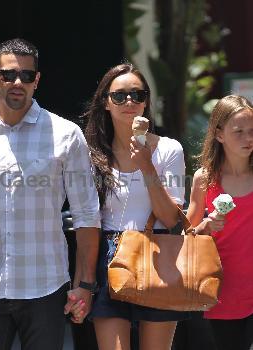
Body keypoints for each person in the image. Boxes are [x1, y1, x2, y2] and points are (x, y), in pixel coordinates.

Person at [0, 38, 100, 350]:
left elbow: (87, 215)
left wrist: (85, 285)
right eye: (8, 74)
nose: (17, 82)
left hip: (46, 288)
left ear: (36, 81)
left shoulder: (67, 135)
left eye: (27, 76)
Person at [83, 62, 190, 350]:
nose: (129, 101)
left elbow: (171, 219)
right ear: (106, 102)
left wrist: (146, 165)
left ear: (146, 102)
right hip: (109, 255)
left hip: (157, 252)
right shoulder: (90, 153)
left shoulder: (168, 149)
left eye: (137, 95)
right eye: (119, 96)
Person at [186, 95, 253, 350]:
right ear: (219, 134)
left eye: (252, 131)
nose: (248, 139)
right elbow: (188, 234)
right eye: (239, 132)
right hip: (222, 292)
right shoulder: (205, 179)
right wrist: (207, 225)